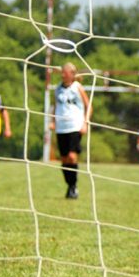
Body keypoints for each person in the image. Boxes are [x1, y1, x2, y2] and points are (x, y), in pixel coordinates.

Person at [51, 62, 91, 199]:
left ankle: (73, 187)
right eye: (62, 72)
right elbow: (54, 107)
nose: (63, 74)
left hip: (75, 126)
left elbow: (88, 106)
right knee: (63, 160)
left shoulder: (77, 87)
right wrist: (52, 121)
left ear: (72, 74)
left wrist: (85, 123)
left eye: (65, 72)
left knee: (72, 157)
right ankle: (69, 185)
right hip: (61, 128)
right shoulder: (57, 89)